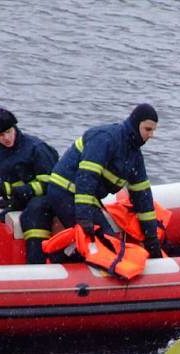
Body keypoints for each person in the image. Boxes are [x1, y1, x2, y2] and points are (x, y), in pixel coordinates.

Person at [36, 103, 163, 264]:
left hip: (84, 198)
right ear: (136, 124)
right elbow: (86, 177)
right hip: (63, 192)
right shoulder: (106, 138)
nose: (151, 135)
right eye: (148, 129)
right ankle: (57, 264)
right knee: (105, 242)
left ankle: (69, 261)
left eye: (153, 130)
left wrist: (151, 238)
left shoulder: (134, 156)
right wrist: (84, 217)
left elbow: (143, 198)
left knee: (109, 240)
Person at [0, 107, 60, 262]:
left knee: (33, 216)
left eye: (8, 131)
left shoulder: (36, 148)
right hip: (21, 198)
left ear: (15, 128)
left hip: (47, 198)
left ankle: (36, 264)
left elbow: (51, 184)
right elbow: (8, 181)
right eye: (0, 135)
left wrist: (19, 191)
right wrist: (5, 192)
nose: (6, 138)